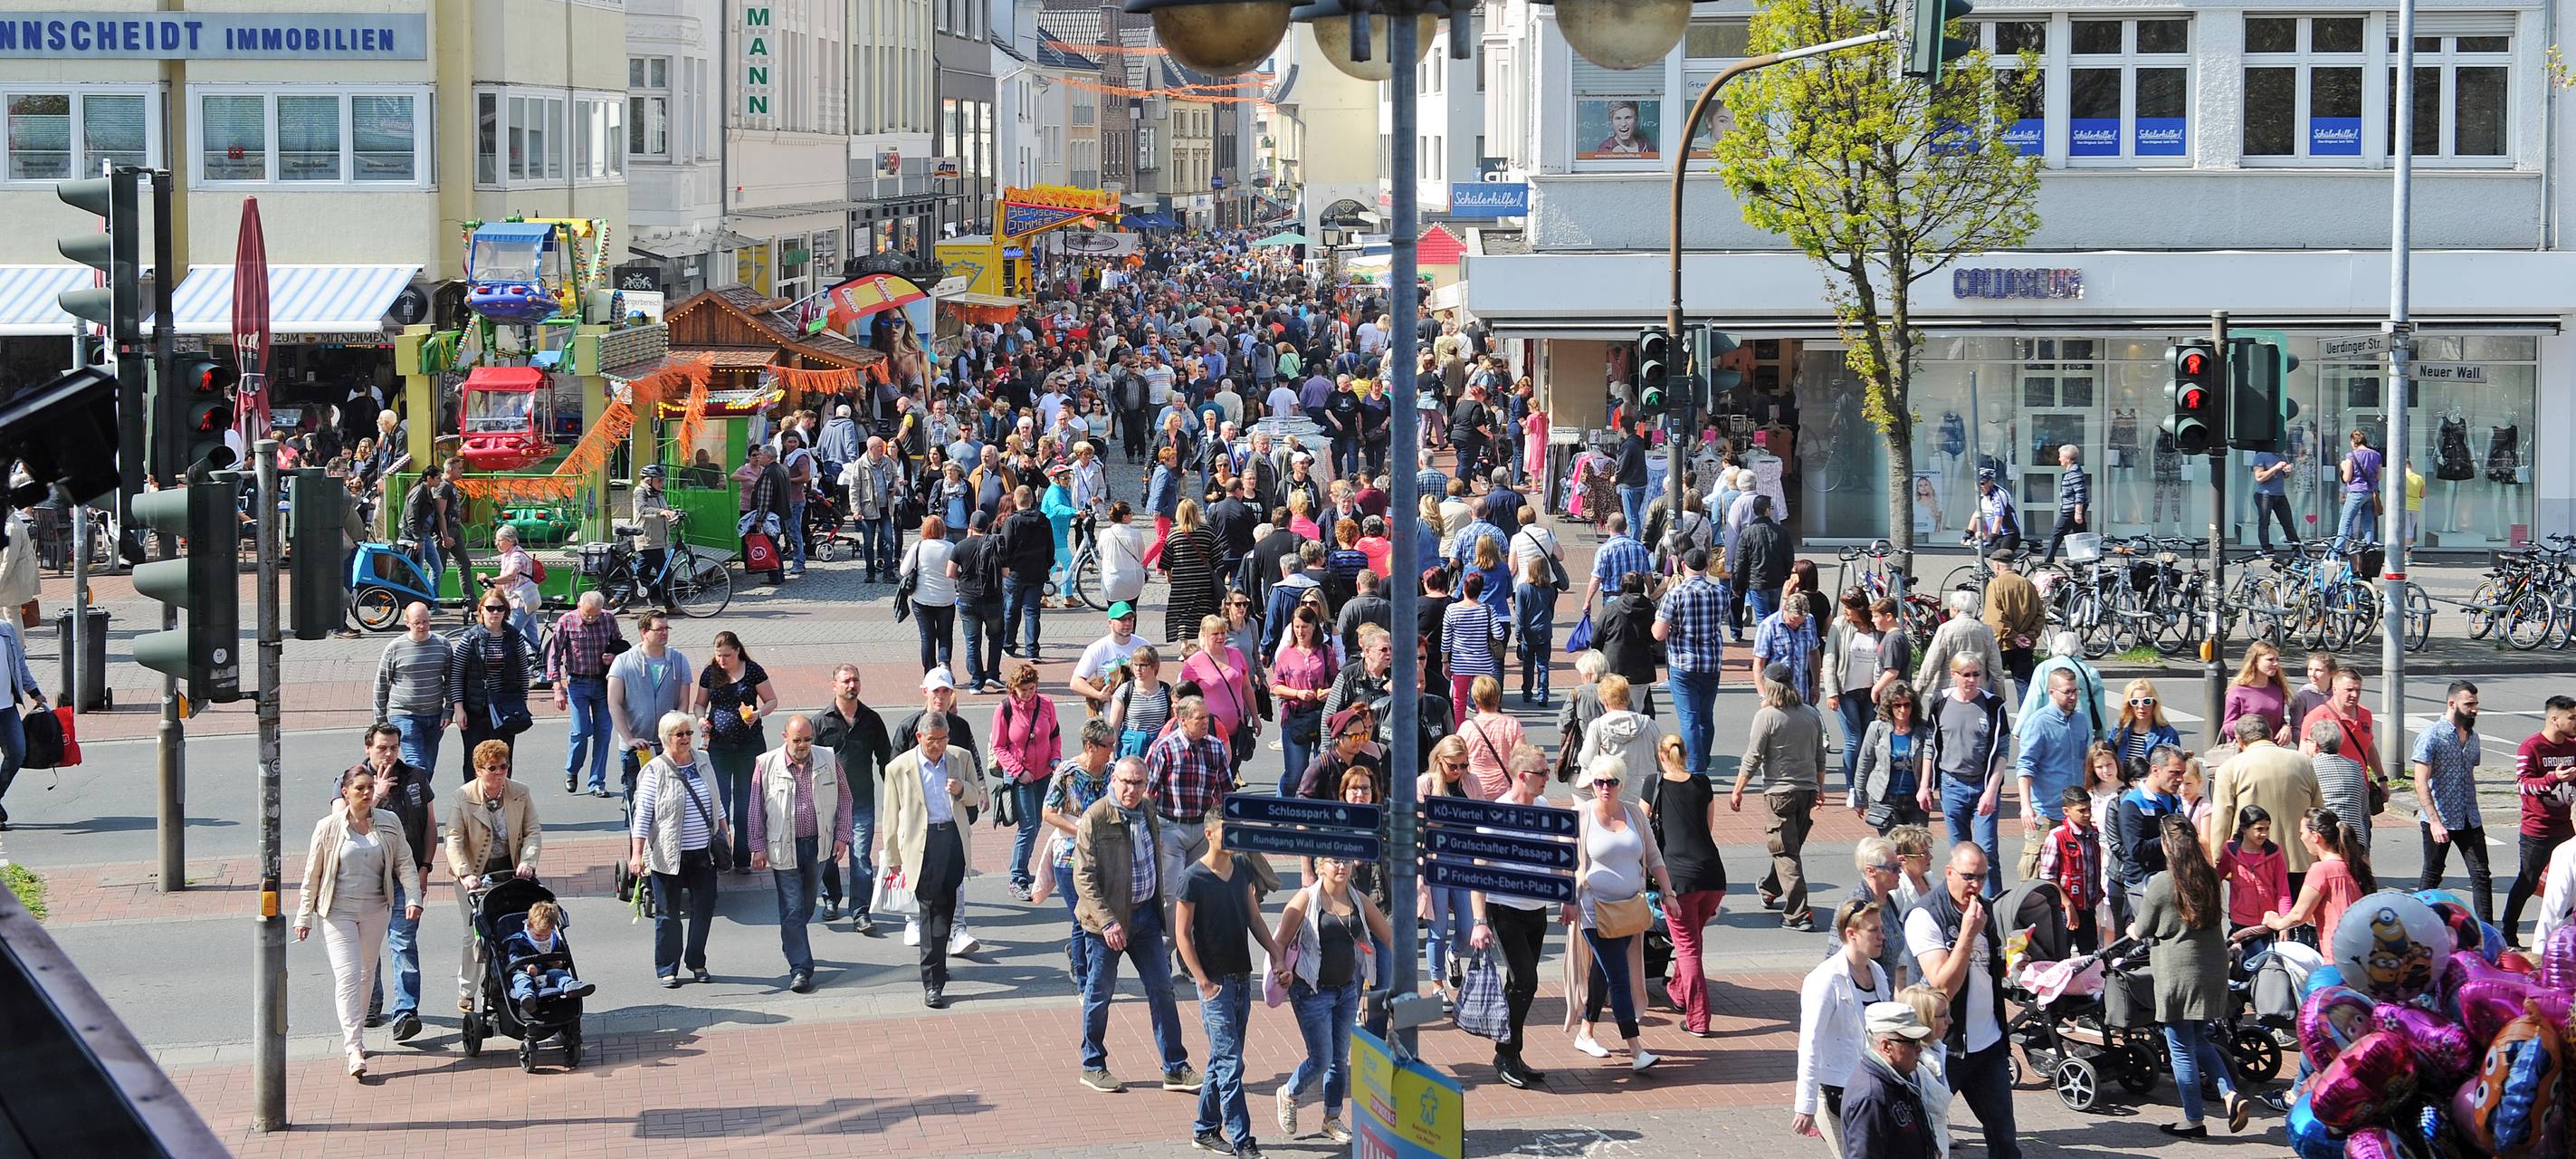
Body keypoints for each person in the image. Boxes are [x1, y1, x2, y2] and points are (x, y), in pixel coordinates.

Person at [1067, 755, 1199, 1094]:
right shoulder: (1096, 817)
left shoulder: (1148, 810)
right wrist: (1109, 922)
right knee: (1100, 992)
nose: (1131, 789)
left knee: (1162, 990)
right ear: (1114, 781)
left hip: (1145, 919)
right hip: (1105, 925)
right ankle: (1092, 1064)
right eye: (1125, 782)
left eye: (1138, 783)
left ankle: (1175, 1067)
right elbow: (1083, 877)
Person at [296, 765, 425, 1079]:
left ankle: (358, 1037)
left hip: (375, 909)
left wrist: (413, 898)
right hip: (336, 912)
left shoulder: (389, 823)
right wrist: (303, 916)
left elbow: (405, 864)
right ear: (345, 792)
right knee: (349, 975)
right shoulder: (327, 827)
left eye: (370, 788)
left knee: (367, 973)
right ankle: (353, 1047)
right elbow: (312, 875)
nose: (367, 794)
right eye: (360, 789)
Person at [2125, 819, 2242, 1137]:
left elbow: (2143, 928)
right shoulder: (2209, 877)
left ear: (2166, 845)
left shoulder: (2163, 883)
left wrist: (2130, 930)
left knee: (2179, 1047)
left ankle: (2193, 1120)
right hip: (2213, 968)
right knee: (2199, 1039)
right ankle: (2230, 1094)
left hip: (2178, 972)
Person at [1905, 843, 2019, 1159]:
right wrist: (1968, 934)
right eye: (1969, 876)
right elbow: (1942, 987)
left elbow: (1989, 971)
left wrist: (2012, 960)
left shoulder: (1983, 908)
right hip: (1945, 1046)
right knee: (1927, 1131)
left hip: (1989, 1042)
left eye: (1982, 877)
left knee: (2005, 1137)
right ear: (1949, 873)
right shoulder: (1925, 915)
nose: (1976, 885)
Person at [1178, 809, 1280, 1158]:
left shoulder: (1243, 870)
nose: (1234, 837)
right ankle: (1242, 1140)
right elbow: (1182, 935)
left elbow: (1253, 916)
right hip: (1215, 984)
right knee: (1231, 1064)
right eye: (1227, 831)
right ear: (1208, 834)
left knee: (1222, 1060)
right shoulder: (1192, 878)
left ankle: (1205, 1130)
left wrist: (1276, 953)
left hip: (1241, 977)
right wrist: (1203, 982)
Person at [1272, 853, 1393, 1144]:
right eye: (1333, 861)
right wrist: (1281, 969)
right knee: (1321, 1059)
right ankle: (1289, 1093)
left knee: (1339, 1059)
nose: (1341, 866)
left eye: (1346, 861)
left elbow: (1388, 937)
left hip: (1347, 991)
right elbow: (1279, 940)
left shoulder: (1358, 900)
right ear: (1320, 866)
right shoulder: (1306, 898)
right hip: (1310, 991)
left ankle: (1332, 1118)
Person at [1567, 755, 1676, 1070]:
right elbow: (1568, 863)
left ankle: (1585, 1032)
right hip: (1593, 911)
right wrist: (1570, 899)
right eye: (1600, 781)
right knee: (1618, 974)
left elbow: (1654, 857)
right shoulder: (1581, 816)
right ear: (1591, 784)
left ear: (1621, 784)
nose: (1605, 787)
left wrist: (1669, 895)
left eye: (1611, 782)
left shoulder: (1633, 815)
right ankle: (1635, 1048)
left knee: (1603, 970)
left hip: (1628, 910)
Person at [1467, 747, 1560, 1087]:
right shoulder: (1498, 815)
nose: (1548, 779)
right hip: (1505, 909)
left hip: (1536, 910)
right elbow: (1478, 871)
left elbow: (1555, 858)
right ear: (1522, 776)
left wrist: (1568, 897)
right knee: (1526, 981)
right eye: (1542, 773)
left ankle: (1512, 1052)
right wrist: (1479, 922)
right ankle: (1505, 1052)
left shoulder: (1545, 809)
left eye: (1547, 772)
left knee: (1519, 984)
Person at [880, 714, 987, 1008]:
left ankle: (937, 963)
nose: (938, 746)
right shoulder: (899, 768)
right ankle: (933, 982)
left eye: (943, 740)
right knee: (929, 914)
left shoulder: (959, 757)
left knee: (947, 909)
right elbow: (890, 817)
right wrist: (892, 857)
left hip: (951, 840)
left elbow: (975, 795)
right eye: (932, 741)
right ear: (919, 738)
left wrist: (962, 790)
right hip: (921, 846)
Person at [339, 726, 437, 1040]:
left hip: (405, 874)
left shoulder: (416, 777)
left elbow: (430, 826)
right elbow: (341, 826)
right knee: (369, 949)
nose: (389, 754)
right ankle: (371, 1005)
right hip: (365, 880)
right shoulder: (353, 779)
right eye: (382, 747)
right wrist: (377, 794)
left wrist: (424, 867)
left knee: (403, 941)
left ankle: (406, 1012)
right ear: (368, 748)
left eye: (394, 747)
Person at [743, 714, 844, 993]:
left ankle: (792, 941)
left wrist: (843, 836)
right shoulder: (766, 764)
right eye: (797, 740)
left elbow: (845, 799)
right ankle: (801, 968)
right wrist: (757, 846)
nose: (802, 746)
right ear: (785, 737)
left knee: (806, 905)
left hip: (817, 844)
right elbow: (755, 807)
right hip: (783, 845)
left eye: (807, 740)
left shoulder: (827, 759)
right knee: (791, 907)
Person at [631, 711, 728, 987]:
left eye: (689, 733)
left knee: (705, 908)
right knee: (668, 914)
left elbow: (716, 799)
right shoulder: (654, 770)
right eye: (680, 734)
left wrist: (724, 831)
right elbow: (643, 816)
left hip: (703, 853)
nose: (686, 739)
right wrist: (637, 855)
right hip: (667, 855)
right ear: (665, 739)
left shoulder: (704, 761)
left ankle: (696, 961)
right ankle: (667, 967)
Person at [443, 741, 540, 1011]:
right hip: (475, 877)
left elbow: (532, 831)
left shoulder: (520, 792)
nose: (499, 773)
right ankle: (467, 990)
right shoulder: (462, 797)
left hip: (510, 872)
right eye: (492, 768)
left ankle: (514, 984)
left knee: (517, 929)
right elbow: (452, 838)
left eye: (504, 766)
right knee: (474, 935)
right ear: (478, 770)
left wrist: (528, 862)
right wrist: (465, 874)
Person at [1793, 898, 1896, 1152]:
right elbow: (1810, 1043)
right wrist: (1805, 1105)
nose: (1882, 936)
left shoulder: (1878, 974)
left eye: (1881, 929)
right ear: (1851, 934)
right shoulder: (1824, 980)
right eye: (1873, 931)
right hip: (1835, 1091)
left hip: (1872, 1089)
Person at [1733, 664, 1827, 931]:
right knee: (1788, 847)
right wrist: (1819, 788)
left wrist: (1738, 788)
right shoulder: (1811, 714)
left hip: (1779, 794)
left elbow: (1753, 756)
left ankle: (1798, 913)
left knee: (1785, 852)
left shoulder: (1767, 716)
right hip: (1806, 791)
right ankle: (1770, 888)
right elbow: (1820, 755)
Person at [1648, 733, 1728, 1035]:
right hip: (1713, 875)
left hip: (1678, 879)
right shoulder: (1703, 783)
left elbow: (1643, 827)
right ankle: (1679, 992)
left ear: (1661, 755)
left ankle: (1698, 1019)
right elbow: (1707, 827)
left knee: (1687, 950)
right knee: (1693, 939)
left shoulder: (1653, 784)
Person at [1143, 697, 1233, 948]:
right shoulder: (1164, 748)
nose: (1207, 722)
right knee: (1171, 896)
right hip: (1170, 829)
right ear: (1183, 720)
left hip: (1203, 830)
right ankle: (1168, 952)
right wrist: (1149, 830)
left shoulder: (1215, 747)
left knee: (1200, 894)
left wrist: (1229, 826)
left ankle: (1190, 959)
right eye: (1200, 718)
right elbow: (1148, 793)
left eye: (1207, 717)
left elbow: (1226, 790)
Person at [811, 665, 892, 929]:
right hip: (828, 803)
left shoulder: (872, 719)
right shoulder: (821, 721)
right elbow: (808, 762)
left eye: (855, 680)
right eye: (845, 681)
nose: (851, 685)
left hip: (861, 802)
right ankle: (832, 897)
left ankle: (860, 911)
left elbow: (886, 761)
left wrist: (895, 795)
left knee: (860, 857)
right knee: (827, 855)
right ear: (833, 685)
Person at [1924, 654, 2011, 895]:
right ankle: (1961, 904)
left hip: (1983, 786)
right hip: (1952, 785)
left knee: (1987, 851)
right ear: (1954, 675)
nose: (1972, 680)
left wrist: (1992, 792)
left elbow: (2002, 751)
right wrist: (1925, 786)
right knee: (1960, 853)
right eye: (1966, 675)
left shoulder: (1993, 705)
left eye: (1976, 674)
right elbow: (1929, 746)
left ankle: (1992, 908)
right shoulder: (1940, 702)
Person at [2206, 714, 2323, 890]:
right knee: (2294, 914)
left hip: (2251, 859)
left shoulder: (2230, 768)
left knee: (2251, 915)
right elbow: (2318, 811)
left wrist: (2218, 860)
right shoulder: (2303, 762)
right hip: (2300, 858)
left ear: (2239, 739)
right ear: (2269, 733)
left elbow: (2221, 820)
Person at [696, 632, 777, 870]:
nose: (722, 660)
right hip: (718, 745)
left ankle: (742, 858)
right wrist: (701, 719)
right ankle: (722, 856)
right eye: (718, 655)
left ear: (737, 651)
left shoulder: (752, 670)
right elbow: (700, 703)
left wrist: (758, 714)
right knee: (719, 801)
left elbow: (771, 700)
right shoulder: (710, 672)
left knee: (745, 804)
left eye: (727, 656)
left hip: (749, 744)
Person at [2412, 679, 2490, 924]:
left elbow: (2469, 776)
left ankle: (2488, 931)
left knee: (2481, 875)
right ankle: (2415, 923)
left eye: (2476, 704)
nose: (2475, 709)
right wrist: (2434, 822)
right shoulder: (2431, 736)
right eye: (2469, 704)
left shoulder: (2473, 737)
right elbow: (2420, 781)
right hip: (2440, 818)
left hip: (2469, 817)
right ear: (2452, 703)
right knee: (2433, 874)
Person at [2505, 696, 2576, 947]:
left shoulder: (2572, 746)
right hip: (2538, 828)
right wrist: (2552, 778)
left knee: (2567, 884)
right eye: (2572, 718)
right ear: (2554, 719)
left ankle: (2565, 937)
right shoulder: (2531, 746)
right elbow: (2523, 785)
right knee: (2528, 880)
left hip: (2567, 827)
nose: (2575, 723)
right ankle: (2508, 933)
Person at [990, 662, 1064, 900]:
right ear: (1014, 688)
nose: (1028, 693)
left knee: (1036, 825)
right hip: (1020, 776)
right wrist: (1018, 770)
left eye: (1032, 688)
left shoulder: (1046, 705)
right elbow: (999, 747)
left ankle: (1021, 871)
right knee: (1028, 825)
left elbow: (1054, 735)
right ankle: (1017, 878)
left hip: (1043, 774)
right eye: (1023, 690)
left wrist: (1055, 760)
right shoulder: (1004, 709)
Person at [1655, 548, 1729, 779]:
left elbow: (1659, 633)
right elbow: (1723, 616)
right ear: (1707, 566)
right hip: (1711, 662)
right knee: (1706, 716)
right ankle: (1702, 759)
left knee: (1689, 718)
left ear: (1684, 566)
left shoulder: (1674, 595)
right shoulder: (1719, 593)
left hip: (1682, 662)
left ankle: (1696, 768)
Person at [2014, 669, 2091, 882]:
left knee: (2074, 872)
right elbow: (2025, 766)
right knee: (2037, 873)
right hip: (2046, 813)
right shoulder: (2039, 723)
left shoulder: (2080, 721)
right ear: (2052, 692)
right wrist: (2026, 806)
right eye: (2067, 692)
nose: (2073, 697)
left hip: (2074, 813)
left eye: (2076, 691)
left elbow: (2085, 761)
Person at [544, 591, 624, 796]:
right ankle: (572, 770)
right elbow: (554, 654)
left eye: (595, 616)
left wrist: (613, 656)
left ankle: (597, 781)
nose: (591, 619)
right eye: (587, 615)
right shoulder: (566, 621)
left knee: (603, 733)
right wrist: (557, 687)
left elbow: (621, 647)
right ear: (579, 606)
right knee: (580, 731)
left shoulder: (608, 619)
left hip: (603, 682)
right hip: (577, 681)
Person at [2256, 808, 2376, 944]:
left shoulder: (2320, 870)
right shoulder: (2352, 864)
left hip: (2336, 951)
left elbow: (2298, 915)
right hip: (2360, 948)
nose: (2301, 837)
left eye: (2302, 833)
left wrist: (2276, 922)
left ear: (2315, 836)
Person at [1839, 1002, 1941, 1159]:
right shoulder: (1870, 1097)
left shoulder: (1901, 1075)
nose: (1919, 1049)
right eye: (1912, 1042)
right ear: (1886, 1046)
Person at [446, 593, 532, 771]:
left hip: (505, 708)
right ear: (481, 611)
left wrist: (521, 703)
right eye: (490, 608)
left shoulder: (514, 637)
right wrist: (459, 708)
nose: (495, 613)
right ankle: (474, 798)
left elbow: (523, 673)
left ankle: (500, 797)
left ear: (506, 612)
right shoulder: (470, 638)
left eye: (500, 608)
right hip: (476, 708)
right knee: (474, 760)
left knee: (501, 760)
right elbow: (457, 674)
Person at [372, 603, 452, 776]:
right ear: (407, 622)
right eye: (417, 623)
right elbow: (381, 684)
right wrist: (380, 721)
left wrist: (449, 710)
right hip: (404, 715)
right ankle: (416, 800)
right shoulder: (395, 648)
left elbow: (451, 680)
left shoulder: (443, 645)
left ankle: (414, 798)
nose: (422, 626)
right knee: (417, 764)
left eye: (426, 622)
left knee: (428, 767)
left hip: (434, 716)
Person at [2112, 746, 2188, 914]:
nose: (2180, 779)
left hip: (2171, 882)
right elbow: (2136, 850)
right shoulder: (2133, 804)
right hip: (2144, 888)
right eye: (2175, 773)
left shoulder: (2174, 799)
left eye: (2182, 773)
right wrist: (2171, 839)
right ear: (2155, 770)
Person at [1822, 590, 1884, 797]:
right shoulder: (1839, 626)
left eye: (1849, 607)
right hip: (1846, 691)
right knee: (1853, 739)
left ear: (1860, 608)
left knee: (1869, 739)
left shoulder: (1875, 626)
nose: (1845, 611)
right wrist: (1831, 693)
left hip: (1869, 692)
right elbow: (1829, 659)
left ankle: (1866, 783)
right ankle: (1852, 787)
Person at [1270, 608, 1337, 790]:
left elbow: (1337, 682)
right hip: (1295, 717)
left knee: (1322, 772)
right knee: (1294, 774)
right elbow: (1276, 686)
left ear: (1314, 627)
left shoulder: (1325, 652)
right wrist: (1297, 693)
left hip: (1322, 718)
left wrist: (1327, 692)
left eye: (1304, 627)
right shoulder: (1286, 653)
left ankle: (1315, 812)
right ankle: (1280, 811)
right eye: (1296, 627)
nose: (1300, 631)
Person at [1178, 615, 1259, 764]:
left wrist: (1255, 716)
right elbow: (1183, 701)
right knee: (1212, 780)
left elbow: (1246, 688)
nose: (1221, 637)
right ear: (1204, 635)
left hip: (1236, 729)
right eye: (1215, 634)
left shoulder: (1236, 654)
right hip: (1207, 733)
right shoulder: (1193, 663)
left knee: (1230, 775)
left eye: (1223, 633)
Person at [2033, 787, 2105, 953]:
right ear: (2066, 811)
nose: (2087, 814)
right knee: (2061, 954)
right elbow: (2047, 876)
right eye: (2081, 811)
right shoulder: (2057, 837)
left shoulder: (2093, 834)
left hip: (2088, 906)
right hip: (2064, 910)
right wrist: (2067, 905)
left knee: (2090, 957)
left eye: (2089, 809)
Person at [1856, 680, 1933, 832]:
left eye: (1907, 705)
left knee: (1915, 850)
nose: (1902, 710)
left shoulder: (1923, 729)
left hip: (1915, 799)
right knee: (1892, 850)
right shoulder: (1877, 728)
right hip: (1884, 799)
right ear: (1889, 706)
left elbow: (1931, 761)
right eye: (1897, 705)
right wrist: (1859, 798)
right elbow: (1864, 762)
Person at [1893, 985, 1959, 1159]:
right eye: (1942, 1015)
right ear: (1923, 1019)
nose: (1950, 1020)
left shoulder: (1936, 1050)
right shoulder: (1909, 1065)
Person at [497, 900, 594, 1018]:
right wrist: (527, 966)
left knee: (560, 973)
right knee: (521, 979)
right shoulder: (519, 940)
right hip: (525, 972)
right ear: (529, 926)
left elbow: (560, 953)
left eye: (546, 936)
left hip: (547, 972)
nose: (543, 939)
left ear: (552, 929)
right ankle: (527, 998)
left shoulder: (554, 939)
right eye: (538, 935)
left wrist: (558, 962)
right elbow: (513, 957)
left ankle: (571, 986)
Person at [1913, 589, 2007, 707]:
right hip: (1978, 693)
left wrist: (1916, 695)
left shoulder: (1945, 629)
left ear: (1954, 608)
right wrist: (2000, 700)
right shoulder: (1986, 631)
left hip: (1947, 692)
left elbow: (1930, 665)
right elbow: (1997, 671)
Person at [949, 510, 1007, 694]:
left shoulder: (960, 546)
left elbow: (950, 573)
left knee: (972, 641)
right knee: (996, 638)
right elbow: (1006, 572)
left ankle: (976, 682)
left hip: (967, 599)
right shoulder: (996, 544)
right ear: (988, 526)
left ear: (971, 527)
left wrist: (964, 576)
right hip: (992, 599)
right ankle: (992, 675)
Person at [2218, 806, 2293, 945]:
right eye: (2259, 829)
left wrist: (2284, 923)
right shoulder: (2230, 852)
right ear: (2244, 829)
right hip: (2240, 921)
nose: (2264, 834)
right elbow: (2215, 879)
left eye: (2267, 829)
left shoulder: (2274, 853)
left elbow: (2284, 892)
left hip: (2268, 923)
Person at [1595, 571, 1661, 717]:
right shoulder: (1649, 608)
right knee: (1638, 710)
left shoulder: (1611, 608)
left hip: (1615, 665)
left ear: (1622, 586)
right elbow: (1655, 637)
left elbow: (1596, 638)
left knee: (1613, 709)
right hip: (1641, 667)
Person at [901, 514, 959, 673]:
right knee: (945, 634)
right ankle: (945, 663)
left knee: (927, 637)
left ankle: (930, 673)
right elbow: (957, 572)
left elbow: (904, 571)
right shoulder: (951, 547)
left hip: (922, 598)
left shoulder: (917, 546)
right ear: (942, 529)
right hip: (946, 598)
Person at [1980, 549, 2041, 690]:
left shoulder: (1995, 585)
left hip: (2002, 644)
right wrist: (2028, 636)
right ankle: (2027, 713)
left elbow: (1995, 620)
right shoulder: (2028, 584)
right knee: (2025, 685)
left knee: (1992, 686)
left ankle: (1996, 712)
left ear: (1996, 565)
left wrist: (2014, 636)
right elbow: (2040, 615)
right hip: (2024, 644)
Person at [2220, 640, 2291, 740]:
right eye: (2270, 660)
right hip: (2246, 750)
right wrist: (2248, 727)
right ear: (2255, 661)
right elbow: (2227, 726)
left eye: (2277, 659)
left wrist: (2286, 728)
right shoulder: (2238, 691)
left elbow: (2279, 720)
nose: (2275, 664)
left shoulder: (2277, 689)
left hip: (2271, 749)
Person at [2109, 677, 2181, 766]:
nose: (2141, 706)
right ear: (2128, 705)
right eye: (2135, 702)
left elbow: (2170, 768)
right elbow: (2109, 758)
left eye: (2146, 701)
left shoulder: (2167, 734)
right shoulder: (2119, 727)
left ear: (2154, 703)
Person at [2337, 428, 2383, 551]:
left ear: (2353, 441)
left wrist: (2343, 467)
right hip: (2371, 492)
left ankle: (2335, 553)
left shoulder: (2351, 456)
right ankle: (2369, 548)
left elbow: (2347, 478)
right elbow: (2379, 476)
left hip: (2356, 492)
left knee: (2345, 523)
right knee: (2368, 523)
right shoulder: (2376, 455)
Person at [2249, 448, 2297, 553]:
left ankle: (2297, 548)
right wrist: (2275, 468)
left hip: (2280, 494)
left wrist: (2287, 472)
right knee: (2264, 523)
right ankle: (2266, 548)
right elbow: (2259, 477)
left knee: (2288, 523)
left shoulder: (2282, 456)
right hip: (2264, 495)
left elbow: (2285, 476)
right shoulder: (2261, 455)